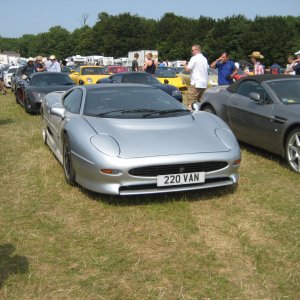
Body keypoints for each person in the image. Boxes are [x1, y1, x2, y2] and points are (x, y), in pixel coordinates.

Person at [184, 44, 208, 109]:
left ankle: (191, 117)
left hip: (196, 83)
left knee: (190, 103)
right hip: (204, 84)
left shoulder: (194, 58)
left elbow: (187, 70)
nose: (191, 52)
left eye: (192, 50)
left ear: (196, 50)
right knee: (199, 103)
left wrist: (185, 65)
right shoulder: (204, 59)